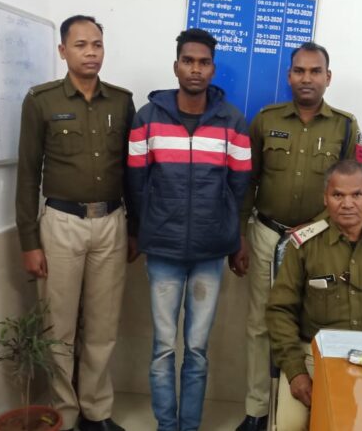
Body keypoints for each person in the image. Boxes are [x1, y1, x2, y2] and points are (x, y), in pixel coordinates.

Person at [232, 42, 362, 431]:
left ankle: (309, 408)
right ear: (289, 76)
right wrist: (240, 234)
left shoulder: (345, 126)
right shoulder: (266, 120)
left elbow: (353, 185)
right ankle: (257, 411)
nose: (307, 78)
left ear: (328, 77)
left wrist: (318, 228)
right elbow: (248, 181)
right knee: (260, 324)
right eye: (300, 71)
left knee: (311, 324)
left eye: (315, 71)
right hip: (266, 234)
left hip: (319, 241)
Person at [126, 28, 251, 431]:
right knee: (163, 348)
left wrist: (234, 237)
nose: (195, 69)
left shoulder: (233, 122)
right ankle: (167, 426)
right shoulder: (147, 119)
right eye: (188, 61)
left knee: (196, 349)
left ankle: (189, 426)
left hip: (210, 252)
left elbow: (240, 187)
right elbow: (135, 183)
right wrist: (140, 230)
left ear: (213, 69)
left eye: (203, 62)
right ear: (176, 65)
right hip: (162, 250)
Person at [15, 15, 134, 431]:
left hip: (112, 221)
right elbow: (27, 174)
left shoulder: (121, 102)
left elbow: (131, 170)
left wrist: (134, 228)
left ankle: (96, 411)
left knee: (103, 326)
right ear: (63, 51)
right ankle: (64, 415)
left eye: (97, 44)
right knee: (59, 326)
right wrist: (29, 241)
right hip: (62, 223)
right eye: (81, 45)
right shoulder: (41, 101)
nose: (91, 53)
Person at [266, 160, 362, 431]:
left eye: (357, 194)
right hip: (313, 355)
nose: (347, 203)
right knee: (290, 424)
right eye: (338, 195)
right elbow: (280, 310)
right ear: (325, 197)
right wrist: (295, 372)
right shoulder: (304, 245)